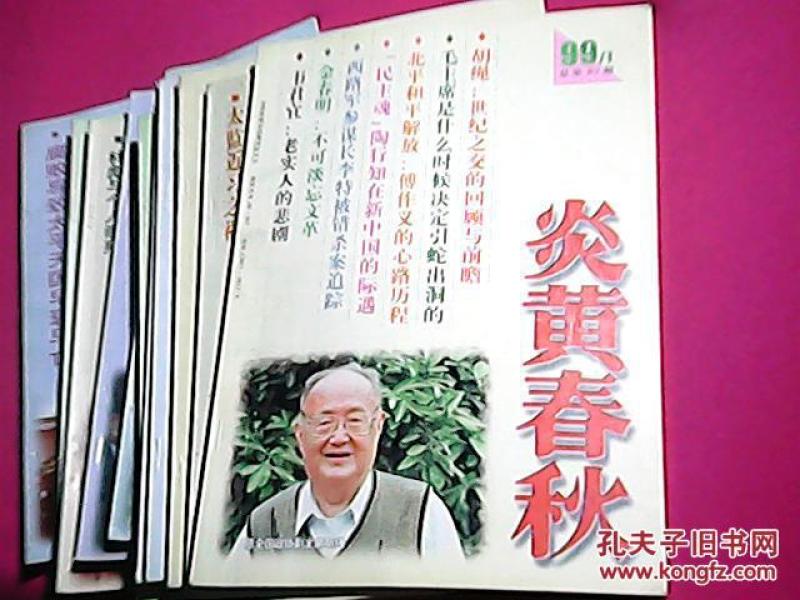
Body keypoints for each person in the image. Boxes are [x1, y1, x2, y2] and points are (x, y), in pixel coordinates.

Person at [231, 363, 463, 559]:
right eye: (324, 423)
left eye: (355, 421)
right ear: (300, 434)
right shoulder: (265, 522)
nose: (339, 438)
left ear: (378, 426)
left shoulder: (420, 510)